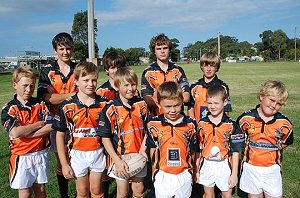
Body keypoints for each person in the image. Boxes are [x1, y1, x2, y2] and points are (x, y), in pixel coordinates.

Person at [52, 62, 107, 198]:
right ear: (76, 81)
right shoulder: (67, 106)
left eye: (94, 80)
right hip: (77, 154)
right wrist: (64, 164)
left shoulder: (104, 104)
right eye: (86, 80)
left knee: (96, 190)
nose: (91, 84)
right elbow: (59, 136)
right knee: (82, 192)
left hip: (98, 153)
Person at [1, 66, 54, 198]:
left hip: (40, 153)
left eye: (32, 86)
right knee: (24, 192)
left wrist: (26, 132)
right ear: (14, 84)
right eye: (25, 85)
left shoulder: (41, 104)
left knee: (41, 190)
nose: (29, 90)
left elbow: (52, 125)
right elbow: (15, 133)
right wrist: (38, 124)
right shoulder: (9, 109)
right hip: (21, 156)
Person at [97, 67, 149, 198]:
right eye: (126, 85)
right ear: (116, 86)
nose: (130, 88)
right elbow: (105, 138)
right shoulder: (111, 108)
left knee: (139, 190)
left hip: (138, 155)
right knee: (123, 192)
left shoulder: (142, 104)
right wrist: (117, 160)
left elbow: (148, 129)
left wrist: (143, 150)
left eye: (133, 84)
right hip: (120, 158)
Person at [37, 32, 77, 198]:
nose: (65, 52)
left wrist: (58, 97)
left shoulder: (78, 69)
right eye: (61, 48)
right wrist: (71, 95)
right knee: (62, 161)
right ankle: (64, 195)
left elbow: (85, 94)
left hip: (77, 120)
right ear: (55, 50)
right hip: (55, 120)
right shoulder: (48, 70)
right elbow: (48, 98)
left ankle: (83, 192)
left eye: (68, 48)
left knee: (79, 157)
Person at [237, 80, 293, 198]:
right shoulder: (245, 119)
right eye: (272, 100)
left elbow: (286, 141)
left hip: (272, 169)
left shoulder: (285, 123)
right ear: (262, 96)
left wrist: (271, 151)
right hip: (251, 168)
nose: (274, 106)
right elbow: (237, 140)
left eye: (279, 104)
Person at [143, 81, 199, 198]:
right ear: (159, 104)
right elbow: (153, 150)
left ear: (182, 101)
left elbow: (194, 151)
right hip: (162, 174)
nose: (172, 110)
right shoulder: (153, 124)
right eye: (168, 106)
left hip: (183, 174)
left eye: (177, 105)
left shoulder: (191, 124)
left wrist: (195, 170)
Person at [195, 84, 245, 198]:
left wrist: (234, 174)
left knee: (227, 195)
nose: (212, 106)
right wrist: (196, 169)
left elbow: (236, 152)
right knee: (208, 195)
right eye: (210, 103)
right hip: (207, 164)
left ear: (225, 102)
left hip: (224, 165)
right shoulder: (201, 124)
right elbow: (198, 148)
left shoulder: (232, 125)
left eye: (216, 103)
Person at [141, 33, 190, 116]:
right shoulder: (148, 72)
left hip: (177, 118)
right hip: (156, 119)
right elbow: (148, 99)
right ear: (154, 51)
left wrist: (158, 97)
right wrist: (175, 96)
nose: (162, 51)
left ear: (169, 50)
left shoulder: (178, 70)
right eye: (159, 48)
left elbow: (186, 97)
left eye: (165, 48)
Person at [188, 52, 231, 123]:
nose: (208, 69)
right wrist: (193, 125)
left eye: (212, 66)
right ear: (201, 66)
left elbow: (226, 110)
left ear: (217, 67)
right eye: (206, 65)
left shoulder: (223, 87)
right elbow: (190, 108)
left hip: (216, 128)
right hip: (199, 128)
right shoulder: (194, 87)